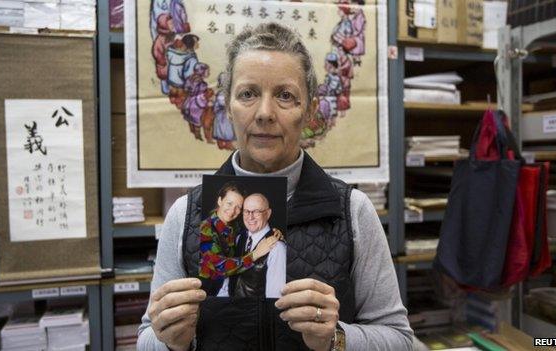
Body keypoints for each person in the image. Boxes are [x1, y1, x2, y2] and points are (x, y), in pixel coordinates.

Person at [138, 23, 413, 351]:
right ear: (228, 105)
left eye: (285, 96)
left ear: (310, 111)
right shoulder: (186, 214)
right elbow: (146, 338)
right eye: (248, 94)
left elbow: (399, 338)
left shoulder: (352, 211)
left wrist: (336, 338)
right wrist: (171, 341)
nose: (265, 113)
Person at [198, 183, 280, 296]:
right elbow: (219, 267)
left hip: (228, 296)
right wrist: (254, 255)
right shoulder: (204, 228)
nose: (232, 211)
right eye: (229, 203)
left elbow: (254, 230)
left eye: (238, 207)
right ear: (220, 201)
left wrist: (275, 232)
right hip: (206, 296)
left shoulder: (235, 227)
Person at [227, 193, 287, 298]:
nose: (250, 217)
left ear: (268, 214)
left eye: (256, 211)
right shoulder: (238, 239)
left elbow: (274, 298)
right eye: (246, 211)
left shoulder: (277, 248)